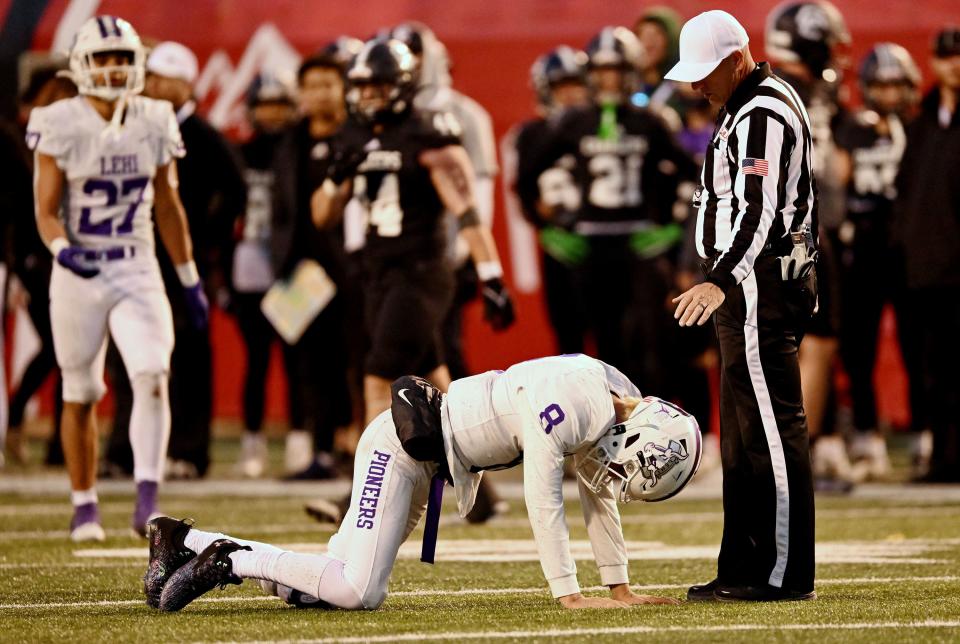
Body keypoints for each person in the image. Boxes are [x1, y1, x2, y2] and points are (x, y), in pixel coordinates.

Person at [142, 354, 700, 612]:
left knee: (325, 589)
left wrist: (618, 585)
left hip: (431, 462)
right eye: (629, 464)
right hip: (401, 449)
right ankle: (227, 559)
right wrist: (569, 592)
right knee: (358, 592)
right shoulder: (578, 397)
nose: (616, 473)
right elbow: (544, 495)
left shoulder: (613, 395)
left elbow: (598, 490)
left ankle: (181, 540)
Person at [26, 16, 207, 540]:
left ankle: (146, 501)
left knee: (152, 374)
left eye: (122, 58)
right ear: (82, 63)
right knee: (80, 389)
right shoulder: (57, 119)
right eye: (103, 58)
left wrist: (188, 277)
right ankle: (84, 503)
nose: (113, 68)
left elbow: (169, 205)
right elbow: (45, 209)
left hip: (137, 263)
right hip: (79, 269)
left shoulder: (155, 116)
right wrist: (63, 250)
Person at [667, 10, 818, 601]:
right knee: (741, 434)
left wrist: (721, 278)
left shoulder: (763, 111)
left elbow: (762, 211)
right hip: (744, 284)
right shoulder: (742, 105)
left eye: (706, 72)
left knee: (772, 434)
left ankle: (783, 572)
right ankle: (745, 565)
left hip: (759, 284)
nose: (696, 86)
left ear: (737, 60)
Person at [313, 38, 514, 426]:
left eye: (379, 85)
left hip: (420, 273)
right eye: (363, 86)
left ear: (404, 85)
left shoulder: (428, 136)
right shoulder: (352, 137)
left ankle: (367, 484)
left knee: (377, 378)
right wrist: (333, 179)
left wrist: (491, 275)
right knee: (436, 383)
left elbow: (467, 214)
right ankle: (478, 486)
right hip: (378, 274)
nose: (369, 96)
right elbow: (322, 216)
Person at [517, 26, 697, 393]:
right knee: (594, 347)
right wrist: (547, 228)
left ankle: (649, 431)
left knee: (649, 343)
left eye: (616, 69)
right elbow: (525, 177)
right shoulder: (573, 122)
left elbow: (694, 176)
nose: (610, 79)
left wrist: (672, 230)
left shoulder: (650, 121)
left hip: (638, 245)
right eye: (602, 71)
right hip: (591, 246)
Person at [139, 41, 247, 479]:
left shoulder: (202, 134)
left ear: (185, 83)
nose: (151, 86)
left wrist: (204, 239)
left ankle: (190, 449)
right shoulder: (138, 128)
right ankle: (136, 453)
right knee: (142, 356)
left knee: (187, 356)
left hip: (184, 261)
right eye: (149, 78)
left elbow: (236, 190)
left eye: (161, 78)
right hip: (141, 259)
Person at [764, 0, 856, 479]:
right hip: (800, 230)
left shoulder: (774, 91)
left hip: (780, 229)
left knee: (795, 342)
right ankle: (795, 454)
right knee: (814, 343)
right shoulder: (795, 94)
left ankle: (786, 453)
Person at [833, 43, 924, 483]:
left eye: (896, 84)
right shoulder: (855, 128)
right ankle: (868, 437)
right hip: (866, 249)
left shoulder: (921, 128)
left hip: (909, 248)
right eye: (881, 84)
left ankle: (926, 433)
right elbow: (840, 179)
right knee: (859, 348)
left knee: (919, 346)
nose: (889, 93)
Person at [269, 51, 355, 479]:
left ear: (344, 89)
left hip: (354, 270)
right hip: (302, 272)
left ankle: (357, 446)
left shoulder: (359, 138)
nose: (320, 93)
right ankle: (321, 452)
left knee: (357, 361)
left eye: (328, 84)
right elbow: (279, 207)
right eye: (312, 85)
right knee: (311, 365)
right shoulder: (291, 141)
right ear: (300, 93)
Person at [893, 27, 960, 483]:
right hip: (926, 269)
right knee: (934, 369)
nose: (954, 63)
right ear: (934, 62)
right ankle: (944, 458)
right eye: (946, 55)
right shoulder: (920, 124)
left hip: (957, 267)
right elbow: (908, 195)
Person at [231, 74, 298, 478]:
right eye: (265, 104)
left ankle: (297, 439)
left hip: (291, 267)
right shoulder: (240, 153)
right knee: (256, 359)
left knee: (298, 361)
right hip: (251, 260)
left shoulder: (297, 151)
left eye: (279, 104)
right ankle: (252, 441)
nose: (271, 113)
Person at [512, 45, 590, 355]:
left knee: (620, 340)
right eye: (561, 86)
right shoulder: (532, 134)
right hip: (559, 244)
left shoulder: (600, 126)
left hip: (604, 245)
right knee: (568, 341)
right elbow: (524, 189)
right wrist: (544, 220)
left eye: (575, 84)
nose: (570, 94)